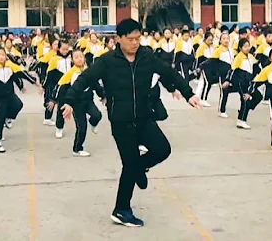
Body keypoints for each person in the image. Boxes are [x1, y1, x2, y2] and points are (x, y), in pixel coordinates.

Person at [61, 18, 201, 228]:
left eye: (138, 38)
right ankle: (121, 210)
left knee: (162, 149)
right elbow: (85, 79)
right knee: (129, 165)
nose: (135, 43)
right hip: (121, 121)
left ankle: (139, 168)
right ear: (119, 39)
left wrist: (188, 93)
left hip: (144, 117)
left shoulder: (146, 56)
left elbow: (169, 73)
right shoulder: (107, 61)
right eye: (131, 39)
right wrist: (70, 102)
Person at [53, 49, 104, 156]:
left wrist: (103, 96)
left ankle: (93, 123)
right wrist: (54, 100)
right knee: (82, 127)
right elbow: (60, 86)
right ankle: (77, 149)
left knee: (97, 115)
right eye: (76, 57)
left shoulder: (89, 70)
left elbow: (95, 84)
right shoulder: (70, 73)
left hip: (88, 101)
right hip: (76, 104)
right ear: (72, 60)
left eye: (81, 56)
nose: (79, 59)